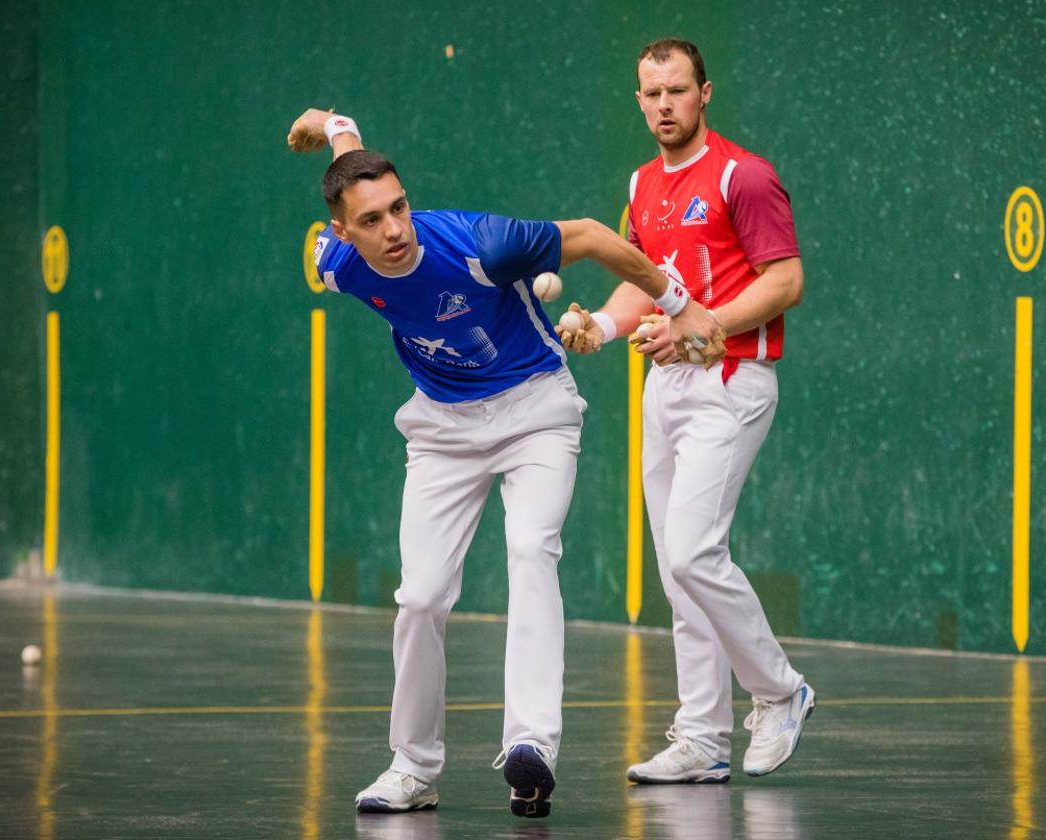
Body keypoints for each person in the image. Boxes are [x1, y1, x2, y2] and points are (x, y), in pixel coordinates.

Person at [286, 107, 720, 818]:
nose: (393, 229)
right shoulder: (337, 265)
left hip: (535, 411)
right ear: (342, 233)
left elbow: (589, 235)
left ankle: (532, 747)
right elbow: (352, 173)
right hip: (440, 427)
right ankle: (413, 767)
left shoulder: (483, 244)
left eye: (400, 208)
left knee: (530, 548)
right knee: (420, 596)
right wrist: (338, 128)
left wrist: (682, 304)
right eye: (371, 220)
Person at [556, 38, 815, 783]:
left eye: (677, 91)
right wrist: (600, 325)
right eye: (651, 94)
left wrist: (706, 327)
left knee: (695, 550)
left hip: (733, 378)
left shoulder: (745, 175)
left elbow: (786, 281)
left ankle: (779, 691)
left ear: (705, 93)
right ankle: (702, 737)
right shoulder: (641, 184)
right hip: (664, 386)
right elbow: (643, 279)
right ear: (638, 100)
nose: (664, 105)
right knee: (679, 571)